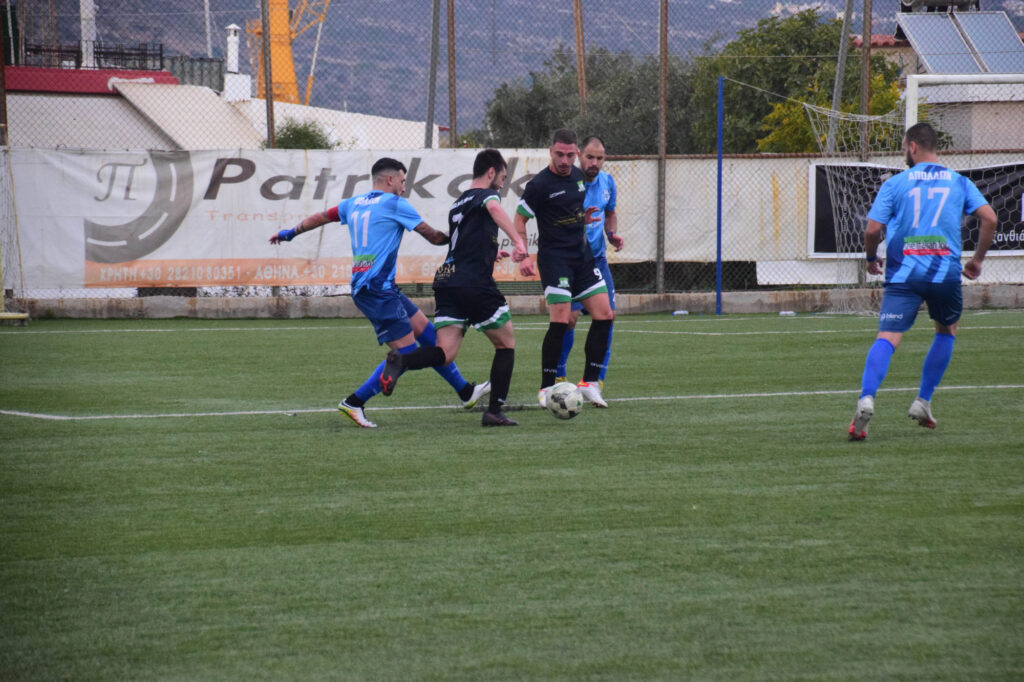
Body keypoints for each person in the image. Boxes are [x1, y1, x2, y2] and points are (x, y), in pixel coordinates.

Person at [269, 157, 490, 429]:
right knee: (405, 352)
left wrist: (290, 233)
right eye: (403, 181)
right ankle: (354, 402)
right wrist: (465, 236)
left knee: (429, 335)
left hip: (377, 287)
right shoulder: (395, 204)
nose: (404, 187)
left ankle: (465, 392)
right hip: (377, 290)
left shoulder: (353, 203)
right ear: (390, 179)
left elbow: (321, 217)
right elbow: (434, 236)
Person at [848, 122, 997, 441]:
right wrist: (977, 260)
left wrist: (871, 258)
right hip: (944, 274)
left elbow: (872, 230)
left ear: (913, 147)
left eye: (904, 147)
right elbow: (991, 218)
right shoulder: (959, 182)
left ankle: (866, 398)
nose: (905, 152)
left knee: (888, 337)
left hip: (904, 274)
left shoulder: (895, 183)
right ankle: (923, 401)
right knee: (947, 330)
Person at [377, 150, 535, 426]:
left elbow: (463, 241)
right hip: (473, 282)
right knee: (506, 343)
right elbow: (494, 209)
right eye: (502, 177)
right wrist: (518, 241)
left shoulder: (458, 202)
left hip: (447, 280)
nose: (502, 184)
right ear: (491, 172)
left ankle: (402, 360)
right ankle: (494, 412)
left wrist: (489, 253)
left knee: (445, 353)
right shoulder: (487, 195)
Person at [512, 128, 614, 409]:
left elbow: (571, 210)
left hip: (582, 257)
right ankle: (547, 387)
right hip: (555, 260)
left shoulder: (579, 177)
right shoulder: (539, 185)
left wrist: (583, 217)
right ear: (551, 152)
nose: (565, 160)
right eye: (560, 154)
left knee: (605, 314)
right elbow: (519, 220)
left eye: (570, 155)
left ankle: (589, 383)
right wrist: (523, 254)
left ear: (576, 154)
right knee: (561, 320)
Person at [555, 136, 624, 389]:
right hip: (572, 260)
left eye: (600, 158)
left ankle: (595, 381)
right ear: (579, 156)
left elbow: (610, 212)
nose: (595, 163)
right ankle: (558, 375)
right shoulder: (568, 183)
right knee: (569, 319)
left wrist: (611, 234)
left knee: (608, 316)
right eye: (590, 157)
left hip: (598, 260)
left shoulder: (607, 182)